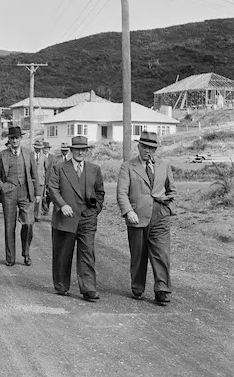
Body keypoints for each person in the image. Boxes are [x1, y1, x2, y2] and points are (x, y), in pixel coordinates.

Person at [116, 130, 177, 304]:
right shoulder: (128, 166)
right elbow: (121, 193)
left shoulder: (164, 165)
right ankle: (137, 287)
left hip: (160, 216)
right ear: (139, 146)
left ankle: (162, 289)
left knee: (161, 254)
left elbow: (172, 191)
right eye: (144, 147)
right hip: (137, 217)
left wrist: (169, 209)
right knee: (138, 255)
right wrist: (129, 212)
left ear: (155, 149)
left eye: (151, 148)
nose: (147, 151)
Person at [47, 136, 105, 301]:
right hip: (65, 218)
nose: (80, 152)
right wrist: (62, 205)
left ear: (87, 151)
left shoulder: (94, 169)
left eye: (83, 149)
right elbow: (52, 188)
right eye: (77, 149)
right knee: (63, 254)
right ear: (71, 151)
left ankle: (88, 288)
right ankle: (61, 285)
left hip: (87, 219)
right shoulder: (59, 168)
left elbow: (100, 192)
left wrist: (95, 211)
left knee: (87, 253)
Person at [0, 126, 40, 267]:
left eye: (17, 138)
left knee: (28, 223)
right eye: (12, 138)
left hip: (25, 192)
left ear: (21, 139)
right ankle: (10, 257)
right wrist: (3, 187)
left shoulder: (28, 153)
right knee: (9, 226)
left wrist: (37, 193)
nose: (14, 140)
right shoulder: (2, 155)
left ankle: (26, 253)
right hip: (9, 193)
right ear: (9, 139)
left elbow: (34, 174)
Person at [32, 139, 47, 221]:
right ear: (34, 148)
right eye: (36, 148)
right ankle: (30, 215)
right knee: (31, 198)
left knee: (39, 199)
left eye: (39, 148)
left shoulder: (44, 156)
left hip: (41, 181)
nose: (38, 149)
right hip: (31, 180)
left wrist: (45, 180)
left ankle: (37, 216)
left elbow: (47, 168)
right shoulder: (30, 155)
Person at [40, 141, 53, 215]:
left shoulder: (52, 157)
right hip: (41, 179)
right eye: (44, 148)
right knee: (41, 195)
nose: (45, 150)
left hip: (49, 179)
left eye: (47, 148)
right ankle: (43, 209)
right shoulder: (40, 156)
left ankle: (46, 208)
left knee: (49, 195)